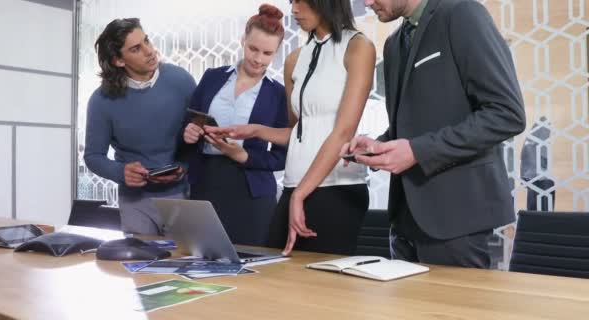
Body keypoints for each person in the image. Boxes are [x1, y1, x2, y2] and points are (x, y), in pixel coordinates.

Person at [341, 0, 526, 268]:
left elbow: (507, 114)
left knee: (455, 311)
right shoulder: (393, 45)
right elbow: (410, 125)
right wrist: (377, 146)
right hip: (403, 222)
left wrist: (418, 151)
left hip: (456, 220)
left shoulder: (462, 15)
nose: (367, 3)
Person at [207, 0, 376, 255]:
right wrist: (254, 130)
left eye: (301, 1)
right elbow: (298, 132)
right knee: (276, 279)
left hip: (336, 189)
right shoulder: (295, 58)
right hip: (293, 186)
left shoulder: (358, 47)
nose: (294, 10)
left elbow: (343, 131)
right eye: (291, 2)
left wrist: (299, 195)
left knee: (321, 289)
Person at [182, 4, 288, 246]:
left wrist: (244, 156)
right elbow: (188, 122)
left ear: (276, 52)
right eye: (253, 49)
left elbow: (282, 157)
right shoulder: (212, 77)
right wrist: (189, 132)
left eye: (267, 53)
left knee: (251, 265)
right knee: (202, 259)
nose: (258, 59)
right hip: (206, 182)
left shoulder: (279, 94)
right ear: (242, 40)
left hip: (252, 191)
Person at [84, 18, 196, 235]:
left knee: (183, 265)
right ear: (118, 60)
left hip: (183, 196)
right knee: (142, 266)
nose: (150, 51)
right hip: (135, 202)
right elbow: (93, 156)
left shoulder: (181, 80)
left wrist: (185, 166)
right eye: (136, 48)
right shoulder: (101, 101)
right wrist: (121, 172)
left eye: (146, 40)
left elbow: (198, 136)